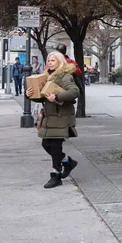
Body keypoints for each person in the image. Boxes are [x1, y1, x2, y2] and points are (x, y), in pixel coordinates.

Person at [26, 51, 79, 189]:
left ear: (60, 62)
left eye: (53, 60)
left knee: (55, 146)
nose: (49, 62)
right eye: (48, 60)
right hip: (49, 117)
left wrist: (57, 97)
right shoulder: (46, 77)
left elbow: (74, 92)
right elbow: (42, 97)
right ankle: (67, 162)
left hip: (61, 117)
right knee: (46, 145)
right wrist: (30, 95)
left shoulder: (65, 76)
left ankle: (55, 175)